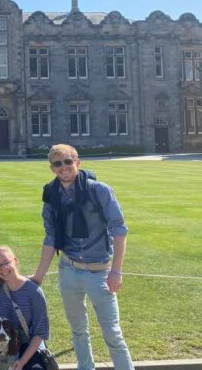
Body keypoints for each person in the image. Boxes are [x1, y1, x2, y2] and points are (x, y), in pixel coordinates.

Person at [31, 144, 134, 370]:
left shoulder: (99, 190)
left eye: (68, 161)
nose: (64, 167)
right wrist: (38, 276)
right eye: (58, 164)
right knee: (78, 331)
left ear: (77, 161)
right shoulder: (51, 195)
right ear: (52, 168)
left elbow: (119, 229)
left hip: (99, 272)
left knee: (113, 334)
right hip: (68, 269)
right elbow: (50, 237)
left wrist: (116, 271)